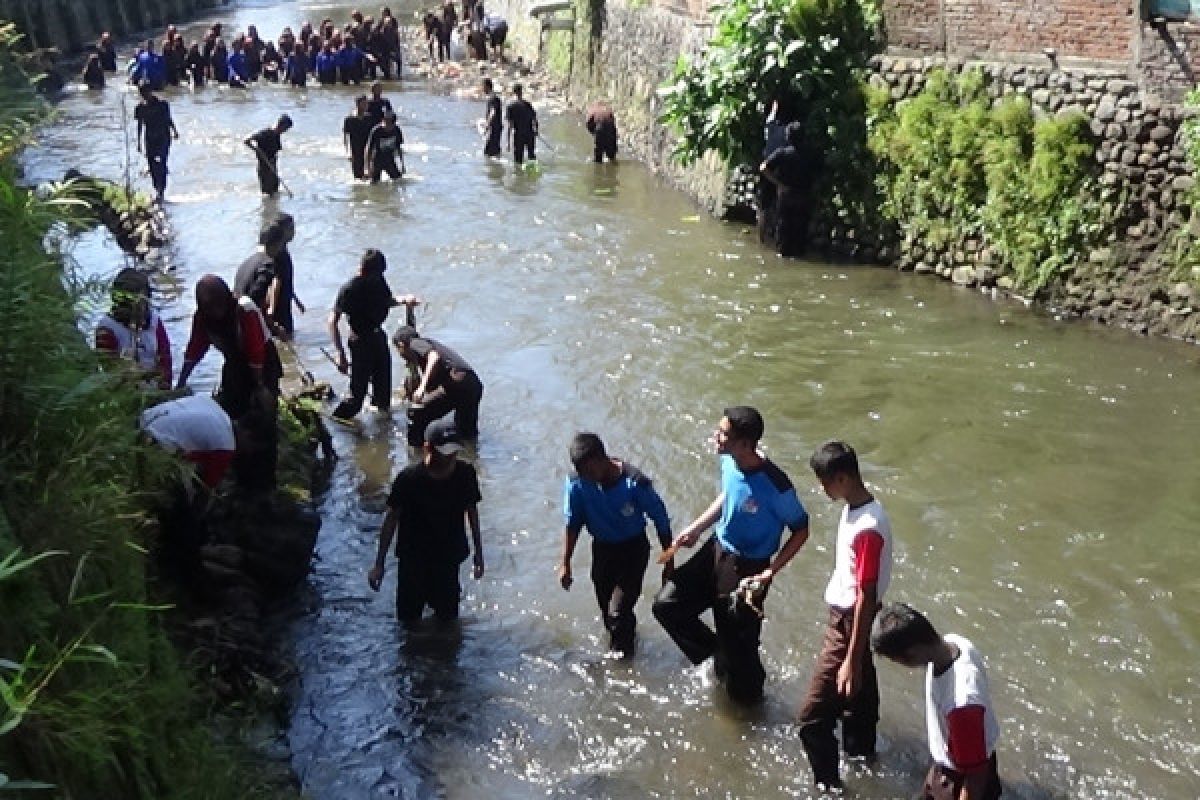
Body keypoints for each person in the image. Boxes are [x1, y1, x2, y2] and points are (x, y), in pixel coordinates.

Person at [651, 406, 810, 705]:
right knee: (667, 606)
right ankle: (716, 656)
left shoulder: (777, 486)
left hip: (749, 569)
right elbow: (729, 496)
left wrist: (770, 571)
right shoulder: (729, 461)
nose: (716, 437)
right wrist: (697, 528)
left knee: (741, 654)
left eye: (724, 434)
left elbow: (801, 529)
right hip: (715, 549)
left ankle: (751, 701)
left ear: (745, 443)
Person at [798, 440, 894, 790]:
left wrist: (851, 659)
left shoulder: (867, 528)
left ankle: (830, 789)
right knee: (857, 703)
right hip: (850, 618)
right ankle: (862, 755)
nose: (821, 488)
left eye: (824, 481)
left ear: (842, 478)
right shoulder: (859, 509)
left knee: (811, 719)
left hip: (849, 622)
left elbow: (866, 596)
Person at [873, 604, 1003, 800]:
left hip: (959, 780)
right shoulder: (956, 643)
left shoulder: (961, 704)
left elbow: (975, 778)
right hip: (951, 762)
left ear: (912, 653)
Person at [560, 433, 672, 659]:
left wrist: (669, 562)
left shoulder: (635, 483)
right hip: (602, 550)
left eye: (591, 472)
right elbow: (573, 523)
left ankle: (622, 665)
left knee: (617, 612)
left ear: (603, 459)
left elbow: (661, 519)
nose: (588, 479)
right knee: (608, 613)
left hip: (633, 550)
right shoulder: (577, 483)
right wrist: (565, 563)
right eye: (583, 474)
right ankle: (625, 640)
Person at [367, 416, 484, 625]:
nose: (451, 458)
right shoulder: (408, 479)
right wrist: (379, 564)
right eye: (445, 453)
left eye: (454, 452)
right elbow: (391, 518)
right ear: (428, 448)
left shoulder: (465, 474)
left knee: (448, 624)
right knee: (408, 624)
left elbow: (472, 512)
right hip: (413, 561)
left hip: (448, 559)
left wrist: (479, 555)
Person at [176, 275, 282, 492]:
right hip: (235, 367)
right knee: (231, 418)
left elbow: (256, 350)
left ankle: (266, 482)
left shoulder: (244, 310)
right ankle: (241, 476)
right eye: (208, 308)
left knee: (264, 420)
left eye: (216, 306)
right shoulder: (203, 319)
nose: (214, 312)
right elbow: (195, 348)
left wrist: (260, 387)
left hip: (263, 367)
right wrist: (181, 381)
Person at [328, 249, 419, 424]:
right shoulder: (349, 289)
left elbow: (386, 300)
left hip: (378, 338)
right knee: (356, 399)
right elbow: (333, 321)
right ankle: (333, 424)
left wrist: (403, 300)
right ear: (363, 269)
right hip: (360, 341)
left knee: (383, 398)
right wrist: (340, 354)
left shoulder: (378, 281)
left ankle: (382, 441)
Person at [392, 326, 483, 447]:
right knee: (466, 433)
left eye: (397, 350)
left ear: (401, 345)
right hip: (473, 386)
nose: (400, 355)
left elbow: (433, 356)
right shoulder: (426, 355)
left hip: (457, 382)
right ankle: (470, 459)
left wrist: (422, 387)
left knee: (416, 412)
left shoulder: (415, 343)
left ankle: (418, 454)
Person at [95, 267, 172, 389]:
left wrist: (164, 386)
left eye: (144, 302)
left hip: (156, 389)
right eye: (135, 304)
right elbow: (112, 371)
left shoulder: (154, 320)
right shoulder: (107, 329)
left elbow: (165, 359)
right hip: (125, 395)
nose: (141, 308)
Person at [140, 395, 236, 490]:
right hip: (154, 439)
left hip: (147, 417)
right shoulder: (226, 446)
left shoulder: (214, 406)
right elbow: (208, 486)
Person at [759, 120, 823, 258]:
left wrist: (779, 184)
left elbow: (763, 168)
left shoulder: (782, 153)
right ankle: (800, 255)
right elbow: (820, 173)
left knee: (784, 230)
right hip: (805, 197)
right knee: (801, 230)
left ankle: (784, 256)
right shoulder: (811, 155)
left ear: (788, 137)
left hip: (787, 196)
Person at [232, 220, 288, 337]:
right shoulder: (268, 266)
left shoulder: (248, 262)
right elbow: (254, 303)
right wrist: (274, 327)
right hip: (248, 323)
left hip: (234, 322)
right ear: (276, 244)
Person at [133, 82, 179, 203]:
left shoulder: (162, 105)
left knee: (162, 161)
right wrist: (138, 142)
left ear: (150, 91)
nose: (144, 95)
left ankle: (161, 191)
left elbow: (169, 119)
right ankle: (157, 188)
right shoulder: (140, 108)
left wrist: (174, 131)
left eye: (145, 92)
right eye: (142, 93)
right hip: (149, 138)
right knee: (152, 164)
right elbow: (139, 125)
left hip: (163, 137)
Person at [267, 213, 305, 338]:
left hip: (286, 299)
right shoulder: (280, 254)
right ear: (283, 231)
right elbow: (276, 280)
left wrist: (296, 299)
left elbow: (285, 278)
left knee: (286, 336)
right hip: (280, 304)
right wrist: (272, 308)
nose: (294, 232)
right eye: (291, 228)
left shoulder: (282, 249)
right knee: (285, 335)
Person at [245, 115, 293, 196]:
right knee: (267, 193)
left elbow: (276, 151)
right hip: (264, 167)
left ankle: (273, 207)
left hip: (273, 166)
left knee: (275, 190)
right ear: (280, 125)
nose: (285, 131)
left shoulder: (277, 136)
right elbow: (247, 141)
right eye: (285, 128)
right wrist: (256, 150)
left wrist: (273, 164)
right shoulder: (265, 133)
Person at [366, 110, 405, 183]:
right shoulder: (376, 131)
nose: (387, 125)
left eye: (390, 122)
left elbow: (399, 148)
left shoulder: (396, 130)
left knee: (399, 180)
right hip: (377, 160)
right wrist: (368, 168)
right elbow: (368, 149)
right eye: (385, 121)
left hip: (390, 160)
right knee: (373, 183)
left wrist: (402, 165)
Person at [505, 83, 538, 165]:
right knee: (531, 157)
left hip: (518, 135)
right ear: (521, 92)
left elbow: (510, 125)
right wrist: (536, 131)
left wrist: (508, 142)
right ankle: (532, 174)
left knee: (518, 160)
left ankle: (519, 175)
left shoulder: (510, 106)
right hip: (530, 134)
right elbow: (535, 120)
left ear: (514, 92)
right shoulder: (528, 104)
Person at [343, 95, 374, 180]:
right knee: (358, 178)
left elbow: (374, 135)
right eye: (363, 104)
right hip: (355, 150)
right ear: (357, 104)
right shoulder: (349, 119)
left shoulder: (369, 118)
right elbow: (346, 137)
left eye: (366, 104)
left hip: (367, 149)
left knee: (370, 176)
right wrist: (348, 152)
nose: (366, 106)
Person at [481, 77, 502, 157]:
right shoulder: (494, 97)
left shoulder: (492, 98)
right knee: (494, 150)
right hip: (496, 127)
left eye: (483, 87)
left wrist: (487, 125)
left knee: (487, 152)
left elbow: (493, 112)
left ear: (486, 86)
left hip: (494, 128)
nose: (483, 89)